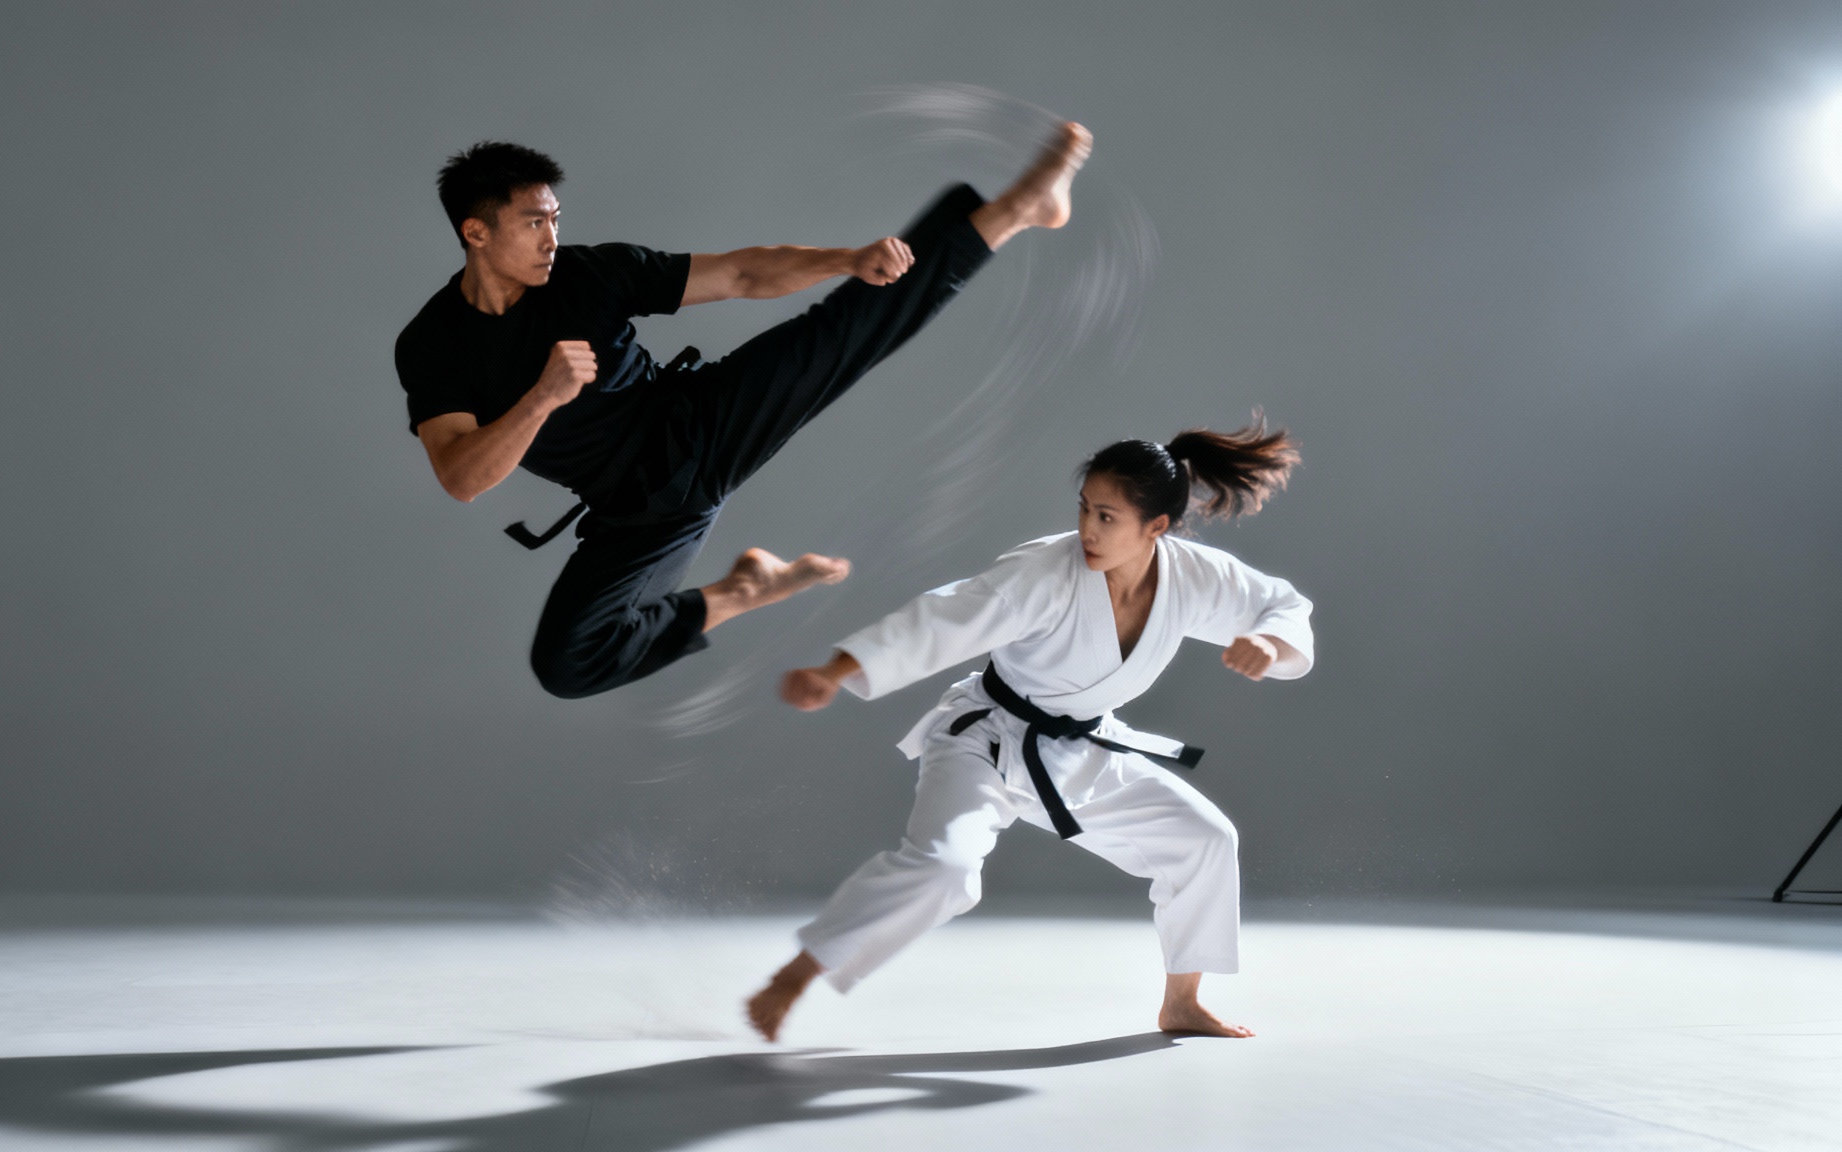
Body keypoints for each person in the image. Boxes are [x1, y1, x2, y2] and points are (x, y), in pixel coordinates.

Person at [395, 125, 1093, 699]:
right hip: (637, 512)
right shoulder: (433, 345)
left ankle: (1017, 208)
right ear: (476, 233)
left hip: (704, 421)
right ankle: (741, 591)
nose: (551, 237)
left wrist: (845, 258)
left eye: (555, 218)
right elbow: (462, 476)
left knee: (847, 329)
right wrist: (542, 397)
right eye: (532, 223)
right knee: (568, 664)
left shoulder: (588, 273)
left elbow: (740, 273)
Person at [746, 420, 1312, 1041]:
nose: (1088, 530)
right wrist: (836, 670)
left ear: (1157, 528)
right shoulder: (1046, 572)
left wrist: (1269, 644)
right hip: (984, 741)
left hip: (1082, 747)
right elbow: (943, 617)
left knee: (1206, 839)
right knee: (944, 869)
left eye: (1107, 517)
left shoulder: (1194, 577)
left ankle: (1183, 1002)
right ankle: (796, 975)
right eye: (1085, 509)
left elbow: (1280, 606)